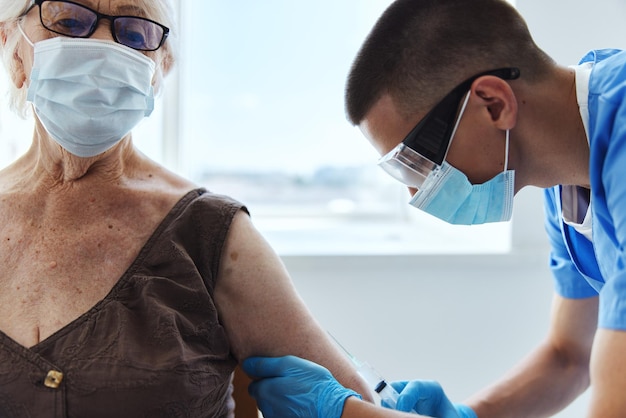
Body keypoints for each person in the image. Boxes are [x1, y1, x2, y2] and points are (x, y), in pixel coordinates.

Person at [242, 0, 626, 416]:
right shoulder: (569, 175)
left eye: (417, 163)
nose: (415, 194)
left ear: (493, 104)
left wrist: (352, 415)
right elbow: (570, 355)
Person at [0, 1, 372, 416]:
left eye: (135, 32)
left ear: (162, 67)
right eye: (68, 21)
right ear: (12, 47)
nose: (103, 46)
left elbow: (351, 402)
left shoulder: (210, 233)